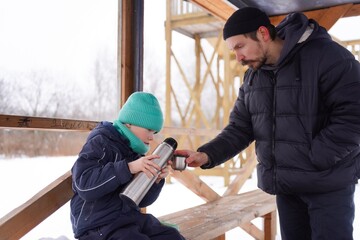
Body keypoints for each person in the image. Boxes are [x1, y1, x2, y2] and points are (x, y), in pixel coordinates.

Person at [175, 7, 360, 240]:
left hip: (327, 185)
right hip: (287, 188)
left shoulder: (330, 57)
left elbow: (353, 117)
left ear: (263, 33)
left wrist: (316, 157)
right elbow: (241, 127)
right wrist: (206, 155)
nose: (238, 57)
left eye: (240, 46)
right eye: (233, 50)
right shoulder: (254, 76)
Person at [70, 92, 185, 240]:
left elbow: (141, 201)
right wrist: (129, 168)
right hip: (97, 225)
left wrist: (155, 180)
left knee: (172, 236)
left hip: (128, 220)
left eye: (155, 132)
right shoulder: (101, 142)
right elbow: (84, 186)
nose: (152, 136)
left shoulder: (133, 151)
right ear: (130, 122)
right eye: (149, 129)